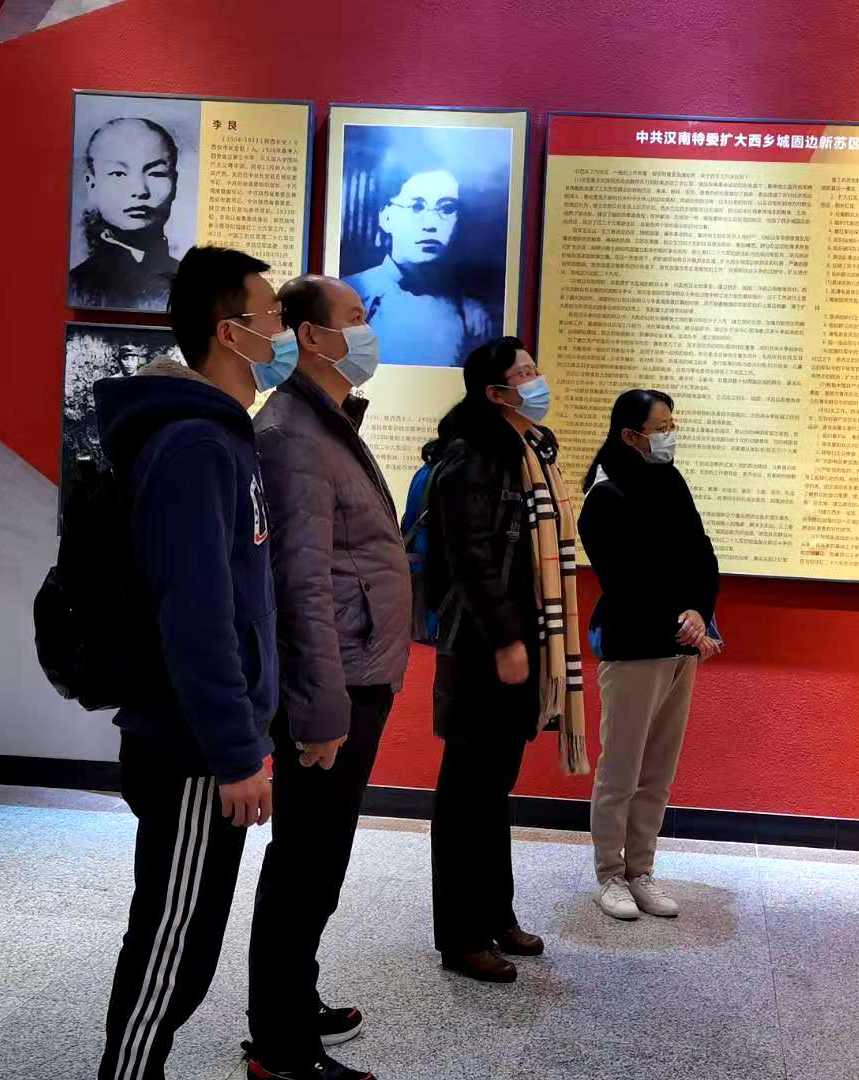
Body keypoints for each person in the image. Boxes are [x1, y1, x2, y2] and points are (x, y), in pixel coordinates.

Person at [92, 245, 298, 1080]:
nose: (285, 331)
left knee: (190, 939)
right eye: (274, 316)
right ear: (231, 331)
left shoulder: (221, 439)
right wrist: (234, 751)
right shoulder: (195, 447)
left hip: (207, 742)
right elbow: (198, 614)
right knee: (171, 945)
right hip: (190, 750)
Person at [244, 275, 411, 1080]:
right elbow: (300, 584)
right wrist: (320, 708)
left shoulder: (325, 422)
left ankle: (293, 997)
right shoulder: (291, 435)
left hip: (355, 668)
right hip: (334, 679)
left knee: (320, 857)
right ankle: (281, 1047)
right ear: (311, 337)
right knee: (306, 860)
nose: (366, 328)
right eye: (353, 317)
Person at [427, 336, 589, 982]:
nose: (536, 380)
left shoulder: (529, 452)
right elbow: (468, 560)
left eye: (533, 368)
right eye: (523, 374)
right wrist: (505, 639)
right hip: (483, 651)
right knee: (466, 796)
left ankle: (496, 914)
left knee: (494, 791)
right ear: (495, 394)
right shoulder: (472, 457)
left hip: (518, 645)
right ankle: (461, 936)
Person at [578, 390, 722, 922]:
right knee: (621, 770)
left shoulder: (671, 481)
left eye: (671, 424)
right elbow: (627, 579)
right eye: (661, 426)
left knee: (658, 771)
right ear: (630, 435)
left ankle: (641, 869)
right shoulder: (605, 497)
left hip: (680, 646)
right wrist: (682, 619)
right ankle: (609, 875)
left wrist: (699, 611)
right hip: (635, 646)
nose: (669, 434)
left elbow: (701, 553)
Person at [343, 160, 494, 367]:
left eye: (447, 209)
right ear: (386, 217)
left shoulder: (472, 317)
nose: (430, 224)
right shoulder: (351, 295)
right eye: (416, 207)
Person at [70, 117, 183, 311]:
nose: (139, 190)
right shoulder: (75, 287)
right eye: (118, 173)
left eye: (156, 173)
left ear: (175, 184)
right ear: (92, 184)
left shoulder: (192, 285)